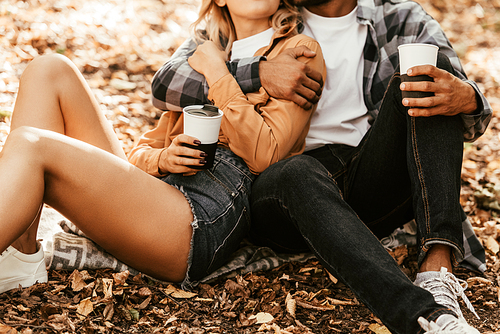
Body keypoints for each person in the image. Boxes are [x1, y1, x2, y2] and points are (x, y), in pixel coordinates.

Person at [150, 0, 492, 333]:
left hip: (366, 171)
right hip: (282, 183)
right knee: (299, 172)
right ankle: (424, 319)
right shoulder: (270, 13)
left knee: (427, 84)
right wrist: (259, 72)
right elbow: (166, 84)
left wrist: (470, 98)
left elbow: (458, 93)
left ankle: (437, 270)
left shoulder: (399, 17)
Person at [0, 0, 325, 294]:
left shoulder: (297, 50)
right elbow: (140, 152)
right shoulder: (202, 51)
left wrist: (217, 72)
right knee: (49, 69)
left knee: (30, 145)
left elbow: (265, 155)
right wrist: (163, 158)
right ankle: (20, 254)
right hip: (154, 197)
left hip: (197, 221)